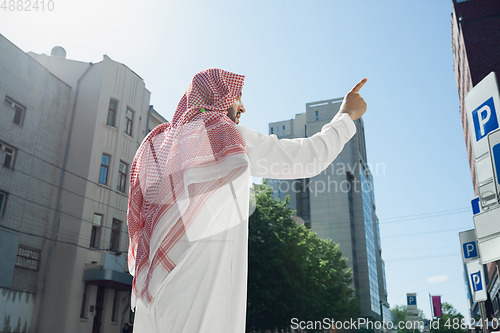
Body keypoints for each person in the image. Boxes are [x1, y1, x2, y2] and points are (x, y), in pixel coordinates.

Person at [127, 68, 367, 332]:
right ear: (216, 96)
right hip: (200, 292)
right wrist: (346, 116)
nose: (243, 107)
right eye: (237, 96)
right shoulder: (220, 133)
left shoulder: (154, 145)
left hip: (153, 292)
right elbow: (306, 157)